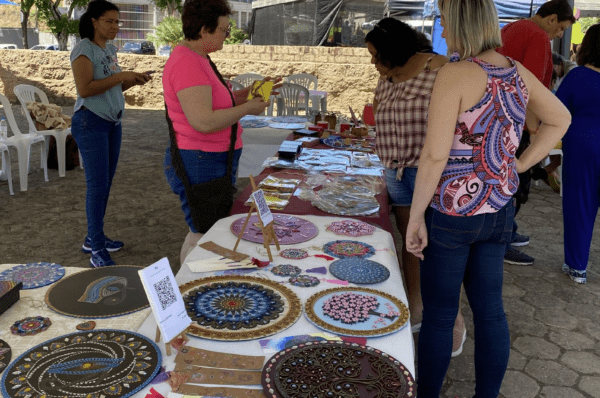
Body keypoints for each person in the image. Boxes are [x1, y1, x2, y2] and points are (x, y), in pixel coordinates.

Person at [405, 0, 570, 396]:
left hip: (452, 212)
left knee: (441, 317)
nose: (442, 30)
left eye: (445, 21)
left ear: (461, 21)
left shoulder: (455, 73)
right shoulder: (517, 72)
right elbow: (560, 118)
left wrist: (414, 218)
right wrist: (517, 165)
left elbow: (435, 154)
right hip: (499, 210)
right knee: (491, 312)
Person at [367, 18, 466, 356]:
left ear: (394, 50)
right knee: (412, 248)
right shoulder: (387, 75)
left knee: (437, 251)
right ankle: (416, 308)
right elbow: (378, 113)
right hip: (395, 173)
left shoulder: (439, 69)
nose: (372, 61)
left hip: (430, 175)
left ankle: (453, 318)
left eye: (375, 54)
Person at [162, 0, 272, 264]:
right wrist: (247, 108)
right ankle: (191, 284)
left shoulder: (198, 59)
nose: (228, 34)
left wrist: (245, 96)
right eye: (223, 29)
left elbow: (214, 103)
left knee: (207, 228)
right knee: (203, 232)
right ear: (203, 30)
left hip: (210, 157)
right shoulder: (188, 63)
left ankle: (196, 281)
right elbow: (204, 121)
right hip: (201, 159)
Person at [71, 0, 151, 268]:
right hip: (90, 123)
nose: (116, 26)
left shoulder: (110, 49)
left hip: (111, 124)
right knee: (96, 186)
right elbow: (85, 89)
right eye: (110, 21)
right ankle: (96, 250)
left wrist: (131, 79)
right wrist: (121, 77)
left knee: (104, 184)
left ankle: (94, 238)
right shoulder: (84, 49)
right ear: (94, 21)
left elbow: (111, 88)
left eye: (118, 22)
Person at [497, 0, 575, 266]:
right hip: (517, 122)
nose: (560, 35)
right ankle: (503, 241)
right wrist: (533, 129)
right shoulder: (539, 35)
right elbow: (526, 88)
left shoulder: (510, 28)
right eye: (562, 28)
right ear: (551, 19)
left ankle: (509, 232)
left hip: (497, 118)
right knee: (515, 183)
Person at [556, 24, 600, 284]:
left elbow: (557, 110)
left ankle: (577, 268)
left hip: (581, 145)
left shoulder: (577, 76)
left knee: (579, 204)